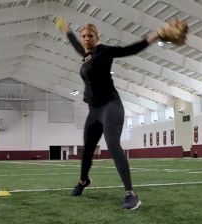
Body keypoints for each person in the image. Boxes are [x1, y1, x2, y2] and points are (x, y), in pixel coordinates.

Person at [58, 17, 187, 210]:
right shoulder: (85, 56)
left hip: (110, 106)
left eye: (90, 36)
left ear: (96, 37)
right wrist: (67, 31)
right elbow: (77, 45)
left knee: (112, 143)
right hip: (94, 111)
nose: (86, 38)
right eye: (84, 35)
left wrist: (155, 35)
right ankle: (84, 181)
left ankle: (131, 194)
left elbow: (130, 50)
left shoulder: (104, 51)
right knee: (87, 150)